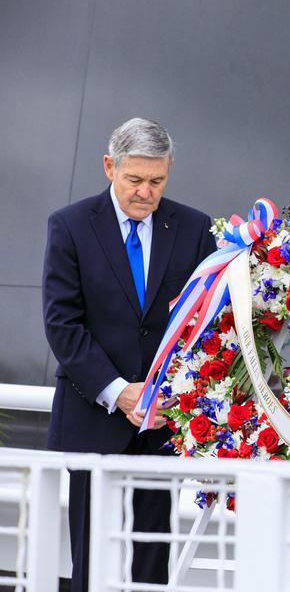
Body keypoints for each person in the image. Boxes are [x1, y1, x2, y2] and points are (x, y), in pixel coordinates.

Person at [43, 118, 216, 591]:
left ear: (169, 170)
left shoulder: (196, 228)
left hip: (162, 423)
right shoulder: (70, 226)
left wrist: (168, 393)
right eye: (134, 180)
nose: (145, 192)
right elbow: (62, 324)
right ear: (108, 167)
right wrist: (119, 392)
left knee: (152, 559)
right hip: (92, 416)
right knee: (89, 557)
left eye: (156, 181)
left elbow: (204, 326)